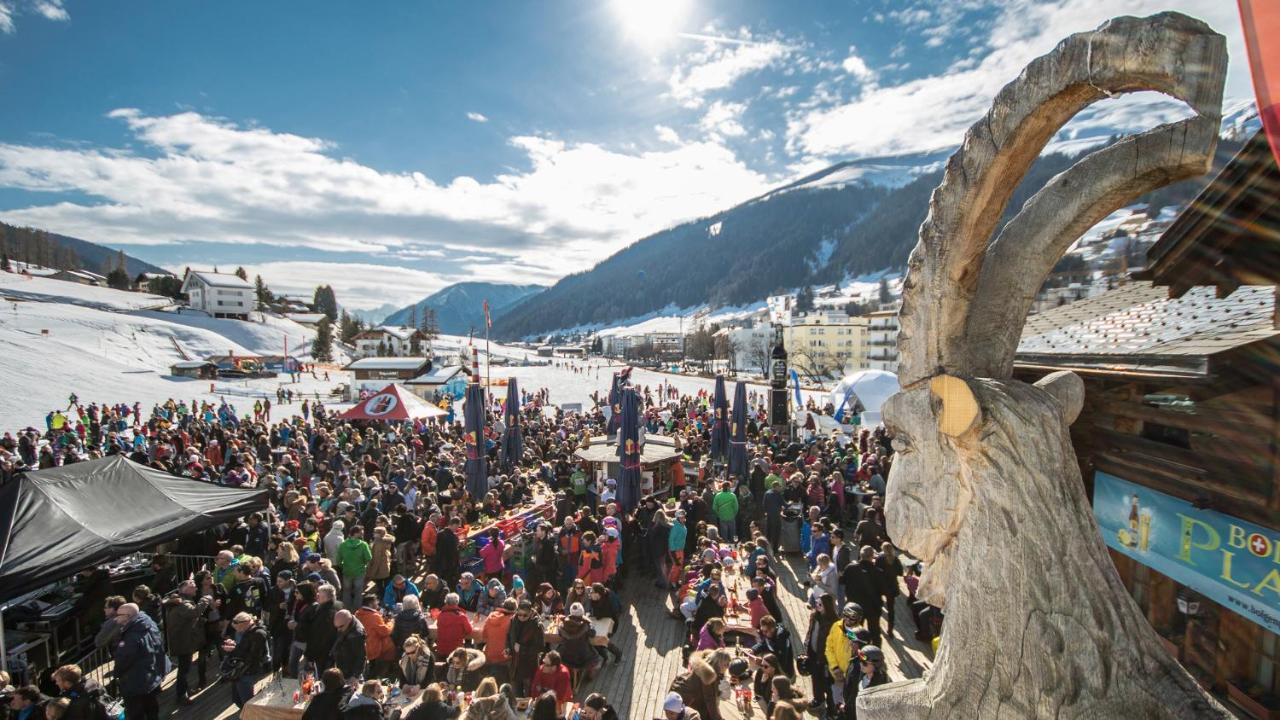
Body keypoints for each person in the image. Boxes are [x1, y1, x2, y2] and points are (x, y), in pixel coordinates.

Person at [111, 603, 165, 720]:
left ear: (128, 616)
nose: (116, 618)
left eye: (119, 615)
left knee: (136, 713)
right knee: (152, 708)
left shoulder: (131, 636)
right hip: (151, 674)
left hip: (135, 682)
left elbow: (123, 659)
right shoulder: (148, 623)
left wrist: (116, 674)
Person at [220, 612, 271, 708]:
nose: (238, 631)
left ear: (244, 624)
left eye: (238, 628)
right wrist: (234, 646)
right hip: (241, 669)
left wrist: (234, 649)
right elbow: (245, 648)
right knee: (237, 699)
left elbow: (253, 656)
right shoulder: (247, 631)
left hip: (248, 671)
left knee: (247, 702)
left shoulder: (258, 634)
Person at [669, 649, 729, 720]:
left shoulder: (706, 664)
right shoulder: (708, 675)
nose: (727, 667)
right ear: (719, 663)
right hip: (683, 703)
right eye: (726, 664)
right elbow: (710, 700)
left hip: (687, 696)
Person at [506, 600, 545, 697]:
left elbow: (540, 647)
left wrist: (522, 648)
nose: (521, 617)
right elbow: (509, 637)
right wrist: (508, 648)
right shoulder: (513, 620)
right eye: (519, 614)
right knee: (515, 696)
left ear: (531, 613)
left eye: (525, 615)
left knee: (529, 696)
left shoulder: (537, 625)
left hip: (529, 665)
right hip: (515, 665)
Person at [354, 595, 395, 678]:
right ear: (370, 604)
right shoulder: (374, 616)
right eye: (376, 601)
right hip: (372, 649)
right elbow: (385, 631)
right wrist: (391, 622)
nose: (378, 603)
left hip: (361, 646)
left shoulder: (358, 613)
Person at [557, 603, 601, 681]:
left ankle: (570, 672)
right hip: (583, 656)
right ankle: (590, 673)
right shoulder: (585, 625)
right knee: (595, 656)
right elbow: (592, 634)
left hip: (567, 656)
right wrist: (589, 623)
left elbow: (559, 634)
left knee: (560, 650)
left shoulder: (562, 625)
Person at [337, 525, 374, 609]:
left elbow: (338, 560)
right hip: (360, 571)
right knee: (358, 592)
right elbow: (369, 558)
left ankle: (346, 608)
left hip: (347, 571)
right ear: (356, 533)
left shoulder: (343, 544)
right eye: (361, 532)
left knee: (346, 591)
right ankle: (357, 609)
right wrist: (364, 566)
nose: (362, 534)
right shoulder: (364, 545)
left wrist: (343, 566)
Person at [331, 609, 368, 680]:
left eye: (341, 627)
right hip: (341, 664)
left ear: (348, 621)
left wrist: (355, 676)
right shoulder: (344, 622)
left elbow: (361, 657)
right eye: (336, 627)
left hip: (350, 671)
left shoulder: (357, 634)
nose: (338, 630)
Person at [435, 593, 474, 657]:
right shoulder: (461, 616)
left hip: (441, 651)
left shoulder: (440, 615)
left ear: (446, 602)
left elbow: (438, 625)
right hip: (456, 652)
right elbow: (469, 631)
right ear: (457, 602)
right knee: (469, 644)